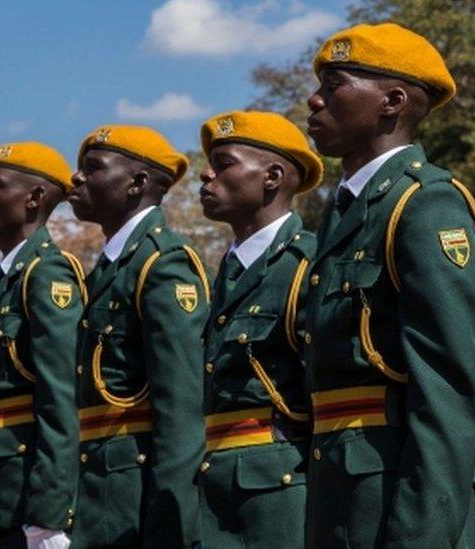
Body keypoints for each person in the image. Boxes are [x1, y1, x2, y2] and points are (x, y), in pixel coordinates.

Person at [304, 23, 475, 546]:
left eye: (335, 84)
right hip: (343, 503)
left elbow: (448, 395)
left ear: (392, 101)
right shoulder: (345, 213)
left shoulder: (424, 204)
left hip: (403, 510)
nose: (314, 101)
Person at [68, 125, 210, 547]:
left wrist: (172, 521)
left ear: (137, 183)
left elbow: (181, 409)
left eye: (92, 168)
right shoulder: (112, 266)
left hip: (137, 498)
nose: (76, 178)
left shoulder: (162, 264)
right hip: (102, 492)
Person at [196, 111, 323, 547]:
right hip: (216, 491)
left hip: (279, 497)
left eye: (224, 163)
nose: (206, 174)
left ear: (271, 177)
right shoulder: (226, 272)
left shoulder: (308, 264)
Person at [0, 142, 85, 548]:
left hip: (26, 499)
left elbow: (60, 397)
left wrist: (50, 515)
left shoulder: (45, 274)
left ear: (34, 199)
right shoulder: (3, 280)